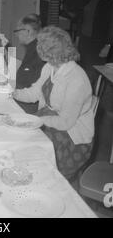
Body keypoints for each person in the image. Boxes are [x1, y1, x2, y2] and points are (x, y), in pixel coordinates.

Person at [12, 27, 94, 180]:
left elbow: (65, 122)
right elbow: (34, 93)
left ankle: (40, 182)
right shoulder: (50, 67)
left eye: (41, 45)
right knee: (20, 137)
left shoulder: (76, 79)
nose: (38, 48)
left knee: (34, 150)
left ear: (50, 50)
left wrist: (35, 120)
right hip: (50, 119)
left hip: (72, 136)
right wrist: (12, 92)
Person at [78, 0, 113, 86]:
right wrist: (78, 38)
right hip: (84, 39)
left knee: (93, 74)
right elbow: (83, 18)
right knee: (82, 71)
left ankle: (93, 101)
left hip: (98, 42)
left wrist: (108, 45)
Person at [13, 14, 45, 113]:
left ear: (28, 31)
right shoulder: (32, 48)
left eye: (18, 31)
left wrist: (11, 91)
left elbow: (28, 83)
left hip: (30, 105)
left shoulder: (38, 51)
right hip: (23, 97)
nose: (16, 35)